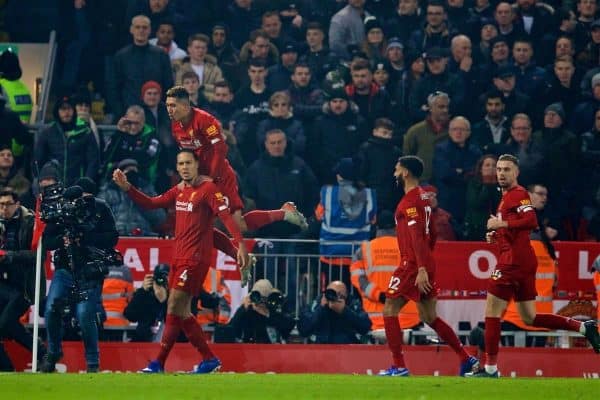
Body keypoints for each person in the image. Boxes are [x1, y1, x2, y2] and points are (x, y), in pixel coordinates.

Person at [113, 149, 249, 373]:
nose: (184, 167)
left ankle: (158, 362)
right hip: (178, 258)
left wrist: (240, 245)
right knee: (181, 311)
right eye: (181, 164)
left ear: (197, 165)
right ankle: (208, 359)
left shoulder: (208, 189)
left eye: (188, 163)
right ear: (177, 167)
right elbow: (152, 203)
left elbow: (225, 217)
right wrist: (128, 189)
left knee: (175, 304)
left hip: (195, 260)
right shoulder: (180, 190)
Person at [466, 154, 600, 378]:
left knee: (491, 312)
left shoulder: (518, 194)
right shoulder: (507, 197)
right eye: (499, 169)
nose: (501, 173)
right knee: (529, 317)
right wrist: (497, 236)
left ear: (516, 172)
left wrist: (501, 223)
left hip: (513, 262)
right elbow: (515, 233)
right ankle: (584, 328)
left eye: (506, 169)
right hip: (521, 260)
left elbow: (531, 222)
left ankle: (490, 369)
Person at [166, 86, 308, 271]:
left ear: (185, 106)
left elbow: (221, 150)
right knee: (224, 225)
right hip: (200, 177)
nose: (169, 110)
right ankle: (282, 214)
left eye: (173, 106)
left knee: (229, 224)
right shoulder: (176, 126)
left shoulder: (206, 121)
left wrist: (210, 177)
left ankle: (244, 256)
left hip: (221, 176)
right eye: (168, 105)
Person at [380, 155, 479, 377]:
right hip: (422, 263)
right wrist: (427, 262)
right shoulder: (424, 198)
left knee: (389, 309)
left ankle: (399, 366)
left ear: (405, 172)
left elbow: (417, 236)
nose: (394, 173)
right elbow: (432, 234)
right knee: (429, 317)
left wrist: (421, 267)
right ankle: (466, 358)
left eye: (397, 169)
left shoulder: (410, 201)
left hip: (412, 265)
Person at [40, 178, 119, 373]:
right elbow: (47, 241)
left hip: (90, 269)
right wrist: (63, 239)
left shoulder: (101, 208)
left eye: (84, 199)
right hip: (65, 268)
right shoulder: (62, 210)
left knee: (85, 314)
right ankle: (53, 352)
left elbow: (112, 238)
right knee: (51, 308)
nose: (80, 204)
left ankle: (92, 363)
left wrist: (85, 236)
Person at [350, 210, 420, 343]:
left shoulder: (363, 251)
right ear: (396, 227)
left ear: (376, 227)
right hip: (408, 320)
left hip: (376, 320)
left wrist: (379, 295)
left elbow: (359, 280)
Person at [0, 188, 46, 371]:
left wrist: (9, 256)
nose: (4, 209)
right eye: (1, 205)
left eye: (8, 205)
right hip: (4, 284)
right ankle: (7, 368)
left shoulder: (30, 222)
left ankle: (41, 353)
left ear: (17, 204)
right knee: (7, 324)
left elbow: (38, 256)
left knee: (4, 324)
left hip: (24, 286)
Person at [298, 281, 372, 344]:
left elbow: (365, 326)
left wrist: (345, 311)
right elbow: (303, 329)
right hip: (321, 351)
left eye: (339, 294)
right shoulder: (317, 303)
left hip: (346, 351)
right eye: (330, 292)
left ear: (345, 295)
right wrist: (320, 308)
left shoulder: (352, 303)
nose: (333, 296)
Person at [228, 279, 295, 343]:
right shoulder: (246, 312)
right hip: (250, 350)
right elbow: (231, 330)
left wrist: (266, 314)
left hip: (271, 351)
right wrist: (242, 309)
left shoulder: (273, 310)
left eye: (264, 298)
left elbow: (288, 325)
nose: (261, 302)